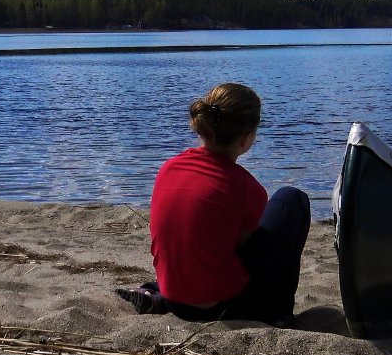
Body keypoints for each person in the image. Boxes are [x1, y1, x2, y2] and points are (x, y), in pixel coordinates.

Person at [117, 82, 311, 327]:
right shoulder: (247, 188)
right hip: (222, 307)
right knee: (292, 199)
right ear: (247, 139)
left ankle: (154, 293)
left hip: (175, 299)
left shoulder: (169, 168)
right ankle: (279, 312)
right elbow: (243, 248)